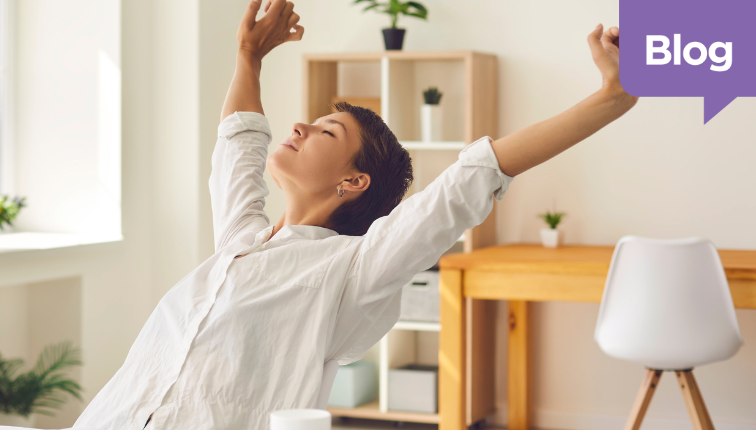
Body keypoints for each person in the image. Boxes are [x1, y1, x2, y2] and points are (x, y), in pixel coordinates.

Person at [75, 0, 637, 428]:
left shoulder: (353, 270)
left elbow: (473, 177)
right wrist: (249, 57)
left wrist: (610, 99)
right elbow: (238, 145)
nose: (300, 127)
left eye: (326, 131)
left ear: (353, 181)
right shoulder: (239, 244)